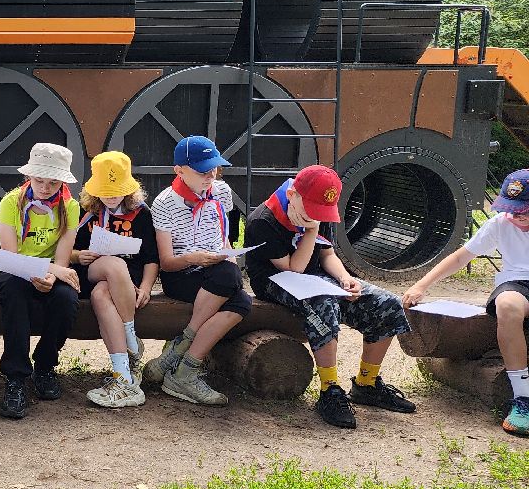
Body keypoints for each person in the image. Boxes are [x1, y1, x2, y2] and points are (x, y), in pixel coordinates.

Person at [246, 165, 414, 430]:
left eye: (321, 214)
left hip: (318, 280)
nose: (317, 217)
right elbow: (294, 268)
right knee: (324, 303)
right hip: (277, 281)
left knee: (387, 303)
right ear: (293, 194)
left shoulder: (315, 208)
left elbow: (326, 254)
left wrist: (345, 278)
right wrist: (311, 230)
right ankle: (329, 390)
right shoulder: (263, 221)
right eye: (312, 212)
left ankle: (366, 384)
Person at [405, 167, 529, 437]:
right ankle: (523, 398)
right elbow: (461, 257)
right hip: (518, 284)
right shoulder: (500, 223)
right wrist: (421, 285)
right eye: (513, 209)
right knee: (507, 305)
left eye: (525, 210)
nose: (517, 216)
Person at [146, 135, 250, 406]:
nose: (210, 175)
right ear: (178, 171)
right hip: (181, 274)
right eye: (202, 170)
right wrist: (194, 258)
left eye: (213, 168)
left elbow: (224, 237)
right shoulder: (164, 202)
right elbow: (166, 262)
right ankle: (185, 368)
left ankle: (183, 363)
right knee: (231, 281)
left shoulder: (222, 192)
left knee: (241, 300)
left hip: (215, 273)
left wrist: (227, 256)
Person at [0, 142, 82, 419]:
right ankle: (16, 377)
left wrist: (51, 274)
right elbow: (9, 254)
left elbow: (64, 258)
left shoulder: (70, 206)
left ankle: (45, 366)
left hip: (50, 270)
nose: (44, 188)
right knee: (16, 295)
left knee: (66, 299)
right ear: (29, 177)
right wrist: (50, 271)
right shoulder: (11, 202)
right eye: (39, 180)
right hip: (13, 269)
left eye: (53, 183)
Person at [71, 151, 159, 409]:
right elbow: (67, 251)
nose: (111, 196)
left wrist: (145, 287)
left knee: (101, 295)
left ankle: (123, 375)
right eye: (106, 190)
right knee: (113, 263)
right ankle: (132, 340)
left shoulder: (141, 213)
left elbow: (151, 258)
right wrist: (80, 255)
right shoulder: (85, 210)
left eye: (117, 190)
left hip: (124, 283)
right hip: (91, 271)